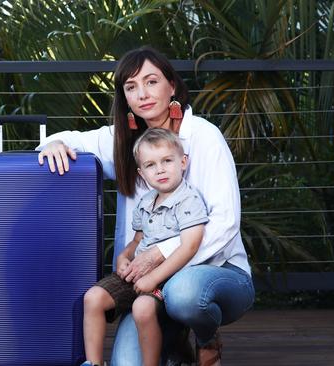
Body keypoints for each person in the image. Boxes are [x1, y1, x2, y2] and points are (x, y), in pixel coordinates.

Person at [37, 46, 255, 366]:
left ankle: (206, 339)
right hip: (146, 288)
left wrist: (158, 254)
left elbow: (225, 224)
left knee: (183, 294)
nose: (143, 94)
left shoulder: (205, 138)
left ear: (172, 86)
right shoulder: (125, 142)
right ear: (125, 98)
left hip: (216, 274)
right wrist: (53, 144)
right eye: (131, 87)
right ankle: (174, 343)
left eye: (151, 82)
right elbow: (68, 140)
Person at [81, 128, 208, 366]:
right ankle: (93, 363)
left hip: (168, 278)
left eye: (167, 161)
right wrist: (124, 256)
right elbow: (138, 240)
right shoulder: (146, 202)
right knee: (93, 297)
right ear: (141, 173)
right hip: (137, 273)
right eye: (150, 165)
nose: (160, 169)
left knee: (142, 308)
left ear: (183, 162)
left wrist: (154, 278)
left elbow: (190, 246)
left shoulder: (188, 200)